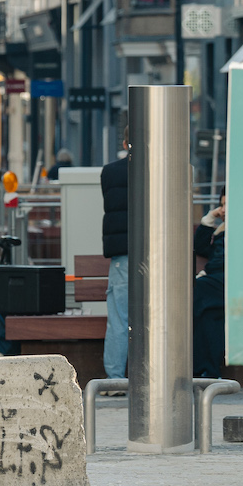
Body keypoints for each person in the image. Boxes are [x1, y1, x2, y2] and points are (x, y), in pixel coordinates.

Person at [101, 136, 130, 379]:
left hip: (122, 255)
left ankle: (115, 379)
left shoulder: (110, 172)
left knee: (119, 318)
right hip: (156, 255)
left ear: (124, 143)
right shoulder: (159, 168)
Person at [192, 195, 226, 379]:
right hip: (216, 283)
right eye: (221, 204)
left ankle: (201, 369)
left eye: (227, 204)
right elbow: (201, 247)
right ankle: (208, 371)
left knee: (195, 294)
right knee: (209, 318)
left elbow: (222, 261)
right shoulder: (222, 228)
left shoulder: (241, 228)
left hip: (225, 282)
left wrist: (207, 273)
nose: (223, 209)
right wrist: (209, 219)